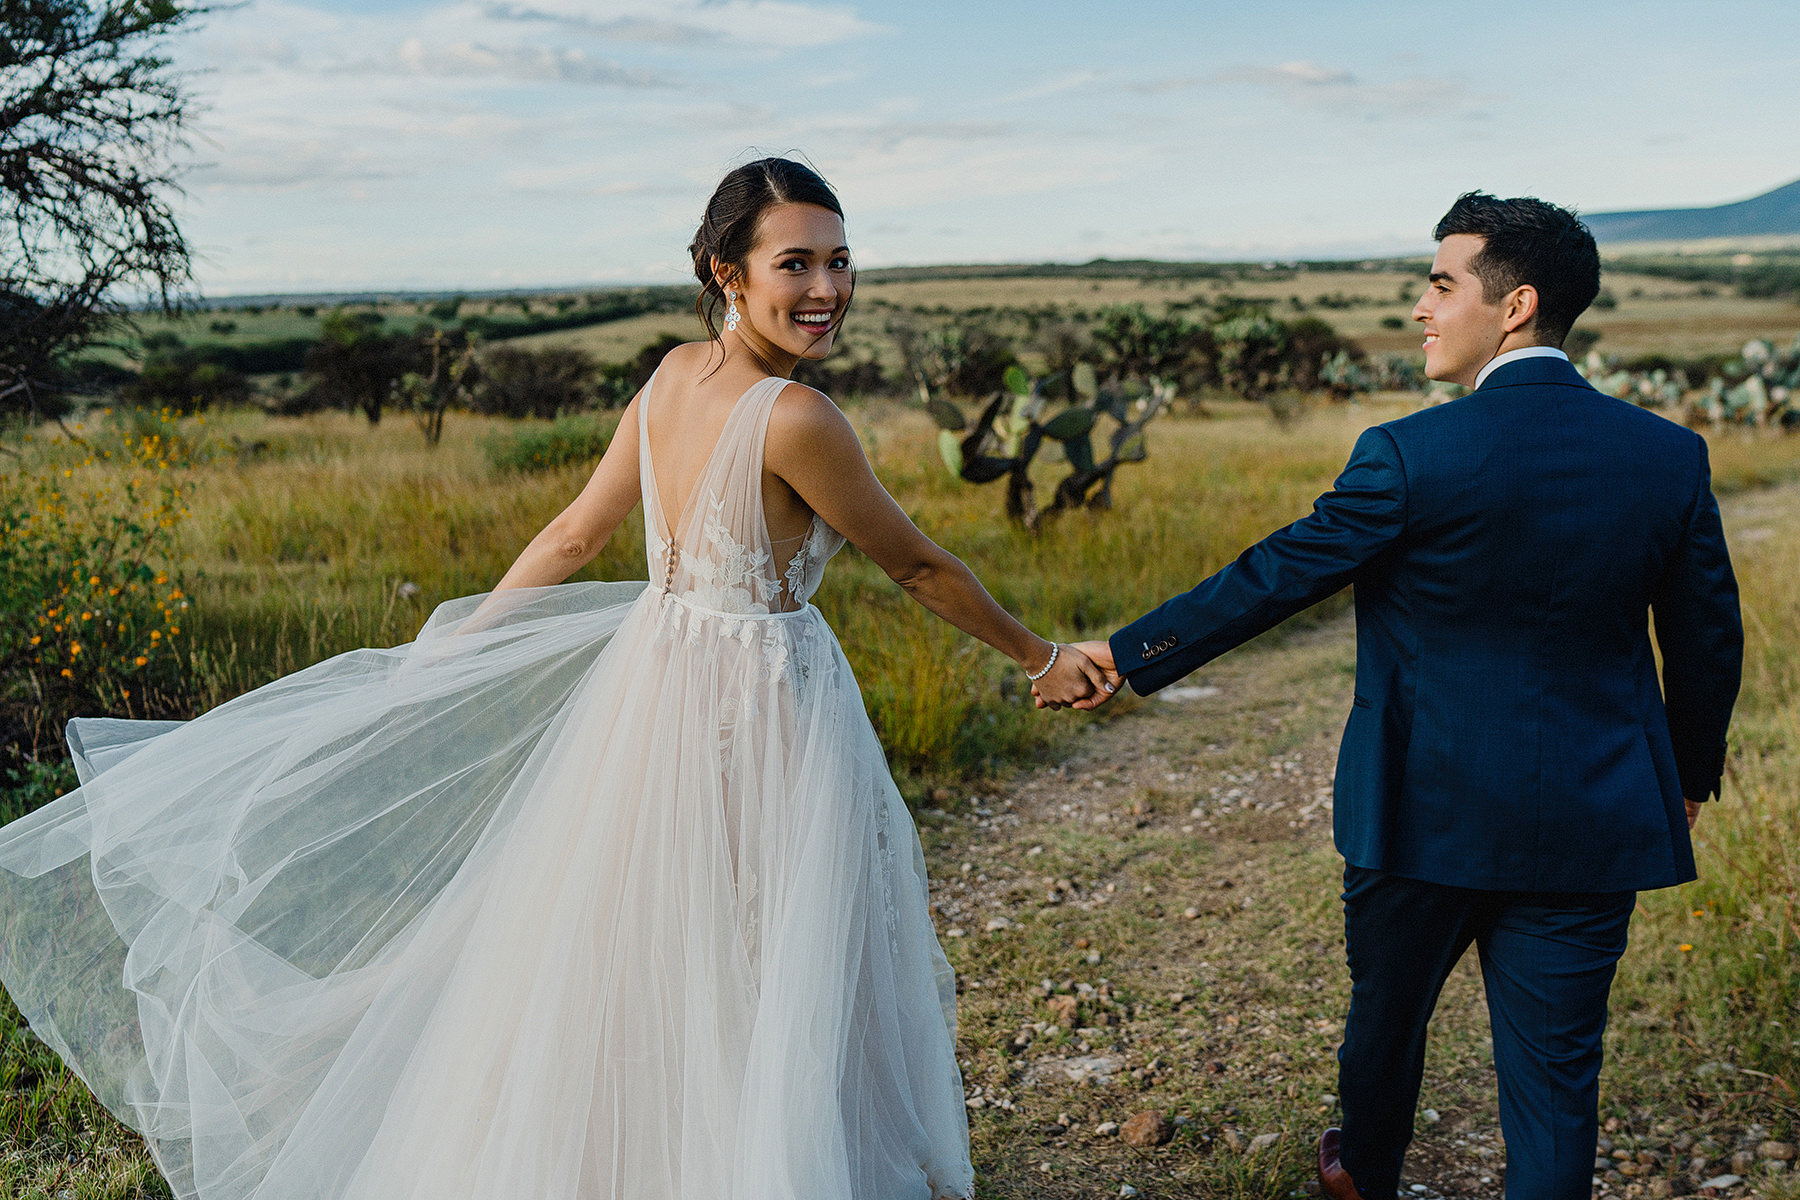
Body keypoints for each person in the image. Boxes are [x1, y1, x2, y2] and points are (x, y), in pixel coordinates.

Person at [0, 156, 1106, 1200]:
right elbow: (914, 563)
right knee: (768, 946)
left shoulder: (674, 377)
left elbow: (577, 534)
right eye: (797, 264)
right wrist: (1040, 657)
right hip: (757, 699)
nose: (829, 289)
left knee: (655, 944)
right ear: (727, 273)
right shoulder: (800, 416)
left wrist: (467, 639)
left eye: (841, 261)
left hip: (652, 686)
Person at [1055, 193, 1742, 1200]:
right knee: (1555, 1085)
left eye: (1439, 284)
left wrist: (1126, 651)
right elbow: (1706, 637)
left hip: (1420, 812)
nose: (1420, 309)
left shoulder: (1412, 456)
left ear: (1515, 306)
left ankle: (1365, 1171)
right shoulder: (1669, 456)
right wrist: (1685, 778)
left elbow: (1279, 576)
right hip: (1594, 816)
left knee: (1385, 1018)